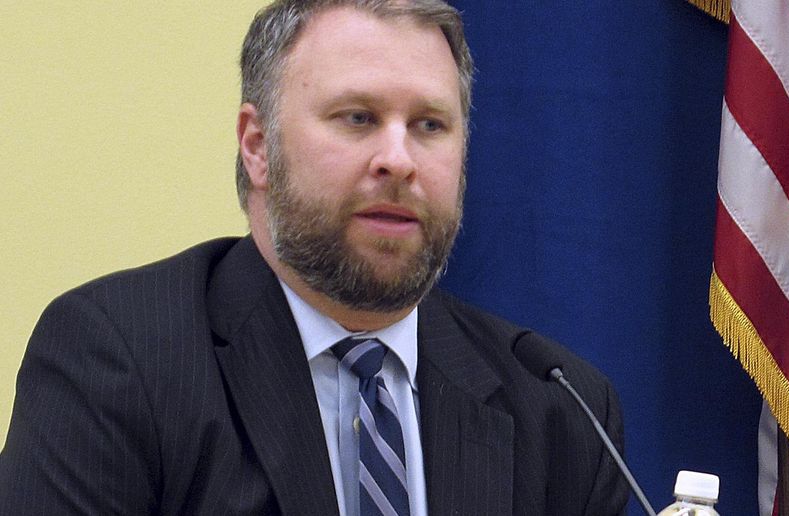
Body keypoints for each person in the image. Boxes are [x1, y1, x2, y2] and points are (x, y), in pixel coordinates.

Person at [0, 1, 629, 514]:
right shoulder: (118, 362)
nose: (399, 160)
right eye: (358, 118)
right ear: (258, 146)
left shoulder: (561, 411)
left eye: (430, 125)